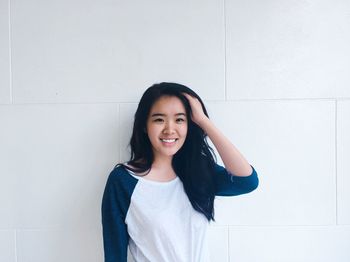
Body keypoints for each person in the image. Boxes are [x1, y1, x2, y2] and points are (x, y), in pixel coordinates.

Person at [101, 82, 259, 262]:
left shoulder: (198, 171)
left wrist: (203, 120)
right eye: (159, 119)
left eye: (179, 119)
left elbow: (247, 181)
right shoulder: (123, 181)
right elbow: (114, 256)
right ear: (145, 126)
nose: (169, 129)